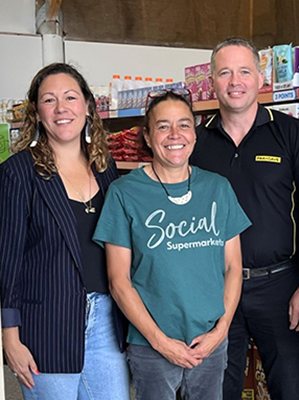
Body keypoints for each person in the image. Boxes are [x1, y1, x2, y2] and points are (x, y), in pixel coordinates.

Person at [93, 89, 251, 400]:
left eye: (184, 124)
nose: (174, 134)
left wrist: (219, 333)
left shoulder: (218, 188)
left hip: (210, 341)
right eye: (163, 126)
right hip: (152, 344)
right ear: (148, 137)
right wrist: (161, 342)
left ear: (195, 133)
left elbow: (233, 267)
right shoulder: (124, 193)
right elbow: (119, 281)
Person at [190, 37, 299, 400]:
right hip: (213, 288)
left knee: (288, 386)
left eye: (244, 71)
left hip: (280, 285)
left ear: (260, 78)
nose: (235, 81)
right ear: (212, 81)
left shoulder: (292, 134)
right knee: (218, 387)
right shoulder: (196, 143)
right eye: (225, 72)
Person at [0, 63, 129, 399]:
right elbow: (6, 261)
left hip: (105, 322)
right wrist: (9, 337)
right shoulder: (18, 173)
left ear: (87, 105)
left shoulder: (105, 168)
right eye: (49, 100)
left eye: (70, 97)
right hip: (46, 324)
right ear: (37, 113)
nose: (61, 108)